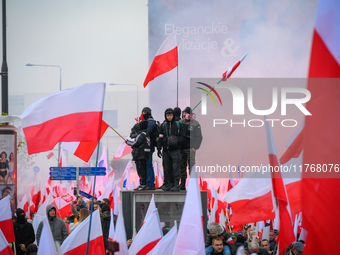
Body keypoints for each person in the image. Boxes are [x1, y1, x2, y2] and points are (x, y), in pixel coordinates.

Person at [157, 108, 184, 192]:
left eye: (171, 115)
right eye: (168, 115)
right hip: (166, 150)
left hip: (175, 150)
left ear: (173, 115)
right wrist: (158, 148)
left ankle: (176, 184)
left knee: (175, 168)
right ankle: (168, 183)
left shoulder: (178, 125)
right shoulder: (163, 125)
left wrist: (177, 141)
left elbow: (183, 136)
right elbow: (160, 137)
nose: (169, 117)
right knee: (167, 168)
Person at [179, 107, 203, 190]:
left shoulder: (195, 124)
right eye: (184, 113)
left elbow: (199, 137)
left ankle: (193, 184)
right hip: (181, 148)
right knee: (182, 166)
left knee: (191, 167)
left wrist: (195, 147)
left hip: (190, 148)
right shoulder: (180, 122)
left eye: (186, 113)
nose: (184, 115)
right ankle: (182, 183)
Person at [126, 121, 150, 191]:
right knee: (144, 170)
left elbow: (135, 143)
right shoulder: (147, 134)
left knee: (140, 171)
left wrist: (127, 142)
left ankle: (142, 184)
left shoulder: (141, 135)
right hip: (145, 155)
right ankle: (145, 183)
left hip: (140, 156)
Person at [141, 107, 157, 190]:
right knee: (147, 165)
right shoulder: (148, 121)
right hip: (146, 147)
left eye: (144, 112)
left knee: (148, 165)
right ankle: (149, 182)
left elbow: (147, 133)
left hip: (148, 147)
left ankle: (150, 183)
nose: (143, 114)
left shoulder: (150, 122)